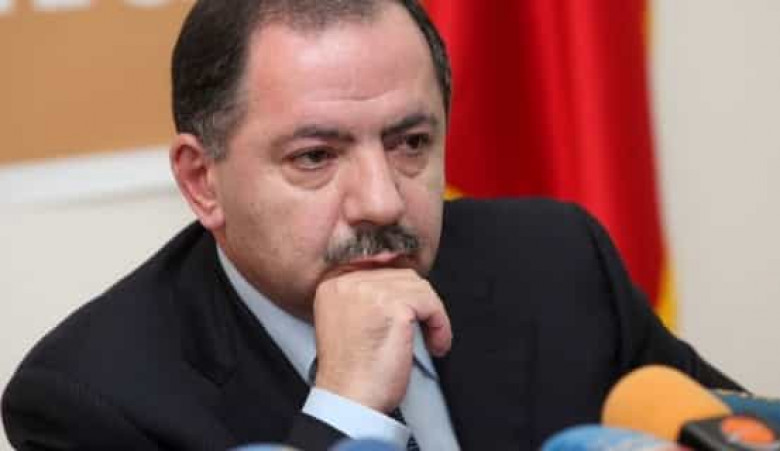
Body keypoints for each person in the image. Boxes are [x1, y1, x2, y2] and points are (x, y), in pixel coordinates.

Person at [2, 0, 741, 450]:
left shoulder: (555, 261)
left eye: (410, 143)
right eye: (316, 157)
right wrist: (346, 410)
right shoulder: (93, 398)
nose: (383, 202)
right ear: (202, 181)